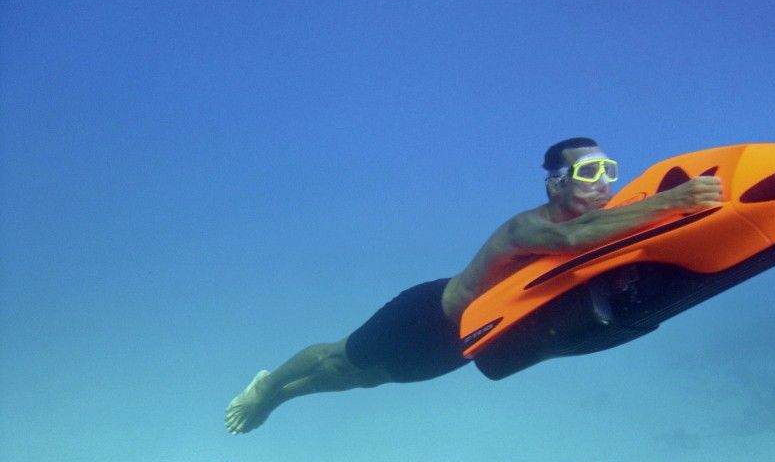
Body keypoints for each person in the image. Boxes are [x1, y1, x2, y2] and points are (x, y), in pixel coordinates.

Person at [225, 137, 723, 433]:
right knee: (343, 356)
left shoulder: (608, 217)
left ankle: (284, 399)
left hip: (461, 345)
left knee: (367, 379)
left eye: (609, 170)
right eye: (590, 171)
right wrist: (674, 200)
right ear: (556, 183)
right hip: (425, 315)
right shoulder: (527, 226)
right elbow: (570, 238)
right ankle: (267, 385)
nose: (605, 182)